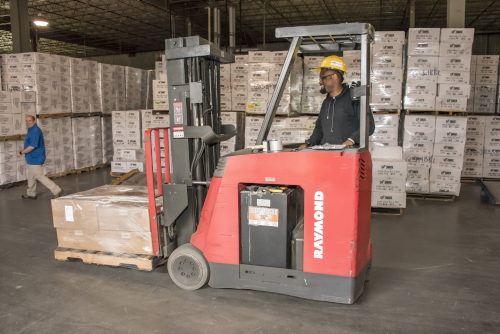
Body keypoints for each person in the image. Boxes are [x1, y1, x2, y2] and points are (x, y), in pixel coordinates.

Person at [299, 55, 375, 149]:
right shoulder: (326, 102)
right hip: (326, 153)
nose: (320, 82)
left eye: (323, 78)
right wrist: (309, 143)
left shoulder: (354, 99)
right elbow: (319, 128)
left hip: (346, 154)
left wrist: (351, 140)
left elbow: (369, 125)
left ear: (334, 77)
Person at [17, 115, 62, 200]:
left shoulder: (35, 131)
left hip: (36, 158)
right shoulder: (31, 130)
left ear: (34, 121)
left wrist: (21, 152)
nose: (28, 122)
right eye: (26, 121)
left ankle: (56, 190)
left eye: (29, 120)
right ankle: (31, 193)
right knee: (31, 176)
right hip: (31, 158)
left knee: (38, 175)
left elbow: (32, 147)